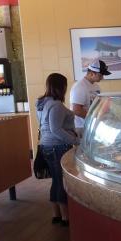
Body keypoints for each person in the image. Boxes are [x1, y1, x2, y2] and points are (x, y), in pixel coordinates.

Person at [36, 73, 79, 227]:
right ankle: (66, 217)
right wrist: (76, 140)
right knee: (61, 181)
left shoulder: (41, 103)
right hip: (57, 147)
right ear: (62, 87)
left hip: (46, 146)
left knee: (56, 180)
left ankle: (56, 214)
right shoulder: (56, 105)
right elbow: (56, 130)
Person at [70, 60, 111, 136]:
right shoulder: (79, 86)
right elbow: (76, 110)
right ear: (92, 73)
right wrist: (94, 118)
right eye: (100, 75)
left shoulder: (96, 86)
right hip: (81, 127)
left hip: (92, 125)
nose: (102, 78)